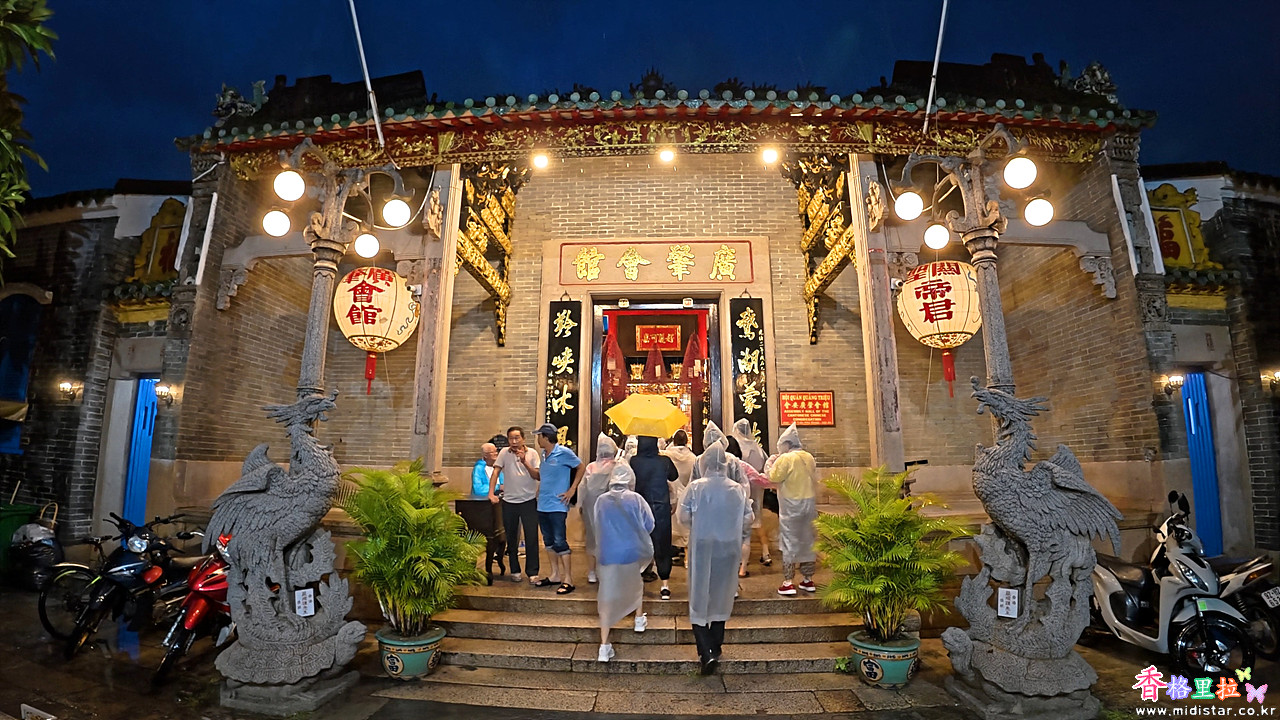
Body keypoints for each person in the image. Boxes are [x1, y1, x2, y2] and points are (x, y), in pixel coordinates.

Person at [678, 443, 753, 674]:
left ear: (705, 463)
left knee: (699, 593)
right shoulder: (738, 490)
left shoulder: (695, 487)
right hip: (728, 546)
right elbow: (748, 518)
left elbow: (683, 516)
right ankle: (715, 645)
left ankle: (706, 650)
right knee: (722, 592)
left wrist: (701, 523)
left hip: (702, 545)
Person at [593, 463, 655, 663]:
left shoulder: (601, 500)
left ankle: (604, 646)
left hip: (607, 552)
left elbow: (596, 524)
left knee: (606, 597)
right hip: (630, 551)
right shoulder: (636, 499)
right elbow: (649, 524)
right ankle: (638, 619)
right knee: (635, 584)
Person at [527, 423, 584, 594]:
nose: (538, 439)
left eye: (539, 436)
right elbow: (541, 476)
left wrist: (572, 489)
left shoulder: (564, 452)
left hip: (557, 505)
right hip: (543, 504)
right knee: (548, 541)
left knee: (560, 541)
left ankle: (568, 579)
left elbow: (581, 467)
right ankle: (555, 575)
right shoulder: (543, 455)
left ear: (546, 437)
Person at [766, 423, 819, 596]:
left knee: (790, 541)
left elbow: (773, 476)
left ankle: (788, 582)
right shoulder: (809, 457)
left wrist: (770, 463)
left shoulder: (786, 459)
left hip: (790, 505)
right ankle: (808, 579)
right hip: (809, 503)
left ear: (787, 444)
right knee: (807, 540)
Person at [488, 426, 543, 585]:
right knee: (511, 538)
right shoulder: (504, 453)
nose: (513, 441)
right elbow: (496, 472)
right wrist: (491, 493)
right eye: (511, 438)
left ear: (523, 439)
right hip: (509, 502)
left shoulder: (532, 453)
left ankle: (533, 572)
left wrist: (524, 461)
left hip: (528, 501)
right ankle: (515, 570)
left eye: (517, 438)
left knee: (531, 537)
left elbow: (537, 476)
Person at [629, 435, 678, 600]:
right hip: (660, 507)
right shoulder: (664, 461)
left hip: (640, 507)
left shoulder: (634, 461)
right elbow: (674, 476)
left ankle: (637, 583)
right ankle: (665, 586)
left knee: (639, 543)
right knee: (662, 544)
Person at [730, 419, 773, 569]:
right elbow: (765, 467)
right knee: (757, 519)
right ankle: (766, 552)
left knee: (739, 524)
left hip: (740, 489)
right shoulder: (758, 448)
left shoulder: (735, 446)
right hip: (757, 487)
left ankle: (741, 558)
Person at [725, 436, 769, 579]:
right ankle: (742, 569)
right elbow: (759, 479)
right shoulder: (743, 465)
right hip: (742, 506)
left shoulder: (717, 466)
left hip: (724, 508)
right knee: (745, 538)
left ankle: (729, 568)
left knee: (727, 538)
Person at [579, 434, 619, 585]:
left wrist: (580, 505)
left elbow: (582, 488)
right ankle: (607, 572)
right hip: (611, 508)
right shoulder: (617, 467)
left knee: (591, 539)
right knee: (610, 539)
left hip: (591, 507)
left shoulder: (591, 467)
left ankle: (592, 572)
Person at [661, 430, 697, 564]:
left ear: (674, 441)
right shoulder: (693, 458)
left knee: (672, 527)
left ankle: (672, 553)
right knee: (686, 526)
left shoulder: (667, 455)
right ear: (686, 441)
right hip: (687, 494)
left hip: (671, 495)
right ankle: (687, 556)